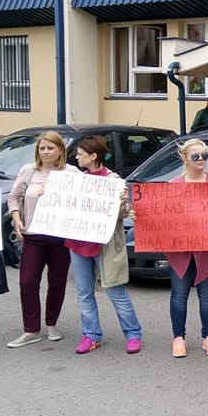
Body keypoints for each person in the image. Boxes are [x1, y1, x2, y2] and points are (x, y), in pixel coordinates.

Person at [132, 138, 208, 358]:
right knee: (179, 295)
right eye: (196, 156)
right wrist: (139, 214)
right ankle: (178, 338)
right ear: (185, 159)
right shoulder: (173, 185)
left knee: (207, 295)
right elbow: (158, 215)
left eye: (204, 155)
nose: (201, 159)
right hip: (180, 251)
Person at [66, 135, 142, 355]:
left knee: (115, 290)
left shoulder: (113, 180)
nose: (77, 158)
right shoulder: (78, 179)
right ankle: (91, 335)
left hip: (104, 245)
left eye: (80, 154)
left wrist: (122, 202)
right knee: (84, 293)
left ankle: (133, 334)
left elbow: (123, 214)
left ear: (93, 156)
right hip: (78, 242)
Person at [6, 131, 76, 348]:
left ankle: (51, 323)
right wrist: (17, 218)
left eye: (50, 148)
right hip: (34, 236)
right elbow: (13, 197)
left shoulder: (71, 172)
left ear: (60, 151)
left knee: (57, 281)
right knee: (27, 281)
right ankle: (31, 330)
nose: (45, 152)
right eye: (42, 148)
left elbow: (83, 199)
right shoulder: (28, 171)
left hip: (60, 236)